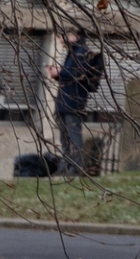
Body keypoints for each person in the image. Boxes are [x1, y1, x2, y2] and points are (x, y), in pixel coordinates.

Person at [51, 32, 106, 173]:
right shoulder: (73, 52)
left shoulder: (82, 53)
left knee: (73, 136)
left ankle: (74, 168)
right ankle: (65, 166)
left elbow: (78, 74)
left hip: (73, 103)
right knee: (64, 138)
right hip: (65, 101)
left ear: (74, 35)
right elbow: (71, 76)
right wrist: (58, 75)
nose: (61, 40)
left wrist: (60, 73)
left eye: (63, 36)